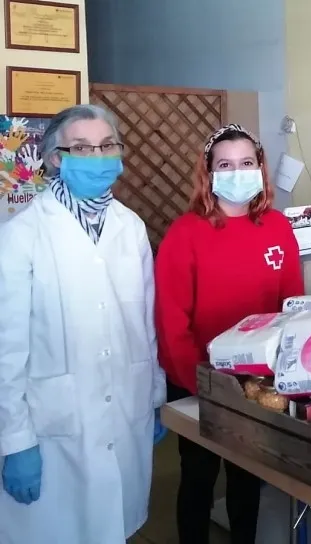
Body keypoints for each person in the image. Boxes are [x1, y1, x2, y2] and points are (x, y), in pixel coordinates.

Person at [0, 104, 167, 543]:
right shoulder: (22, 235)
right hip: (53, 427)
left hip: (125, 408)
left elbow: (144, 327)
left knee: (115, 527)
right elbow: (7, 350)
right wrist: (15, 441)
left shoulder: (129, 228)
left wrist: (152, 395)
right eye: (81, 147)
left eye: (107, 145)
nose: (97, 156)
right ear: (56, 157)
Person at [155, 124, 304, 544]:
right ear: (209, 173)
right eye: (225, 164)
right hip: (197, 380)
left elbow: (291, 306)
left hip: (258, 381)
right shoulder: (186, 234)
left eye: (246, 163)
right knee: (199, 476)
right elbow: (171, 322)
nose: (237, 172)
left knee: (247, 475)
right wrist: (204, 382)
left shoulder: (276, 227)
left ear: (260, 168)